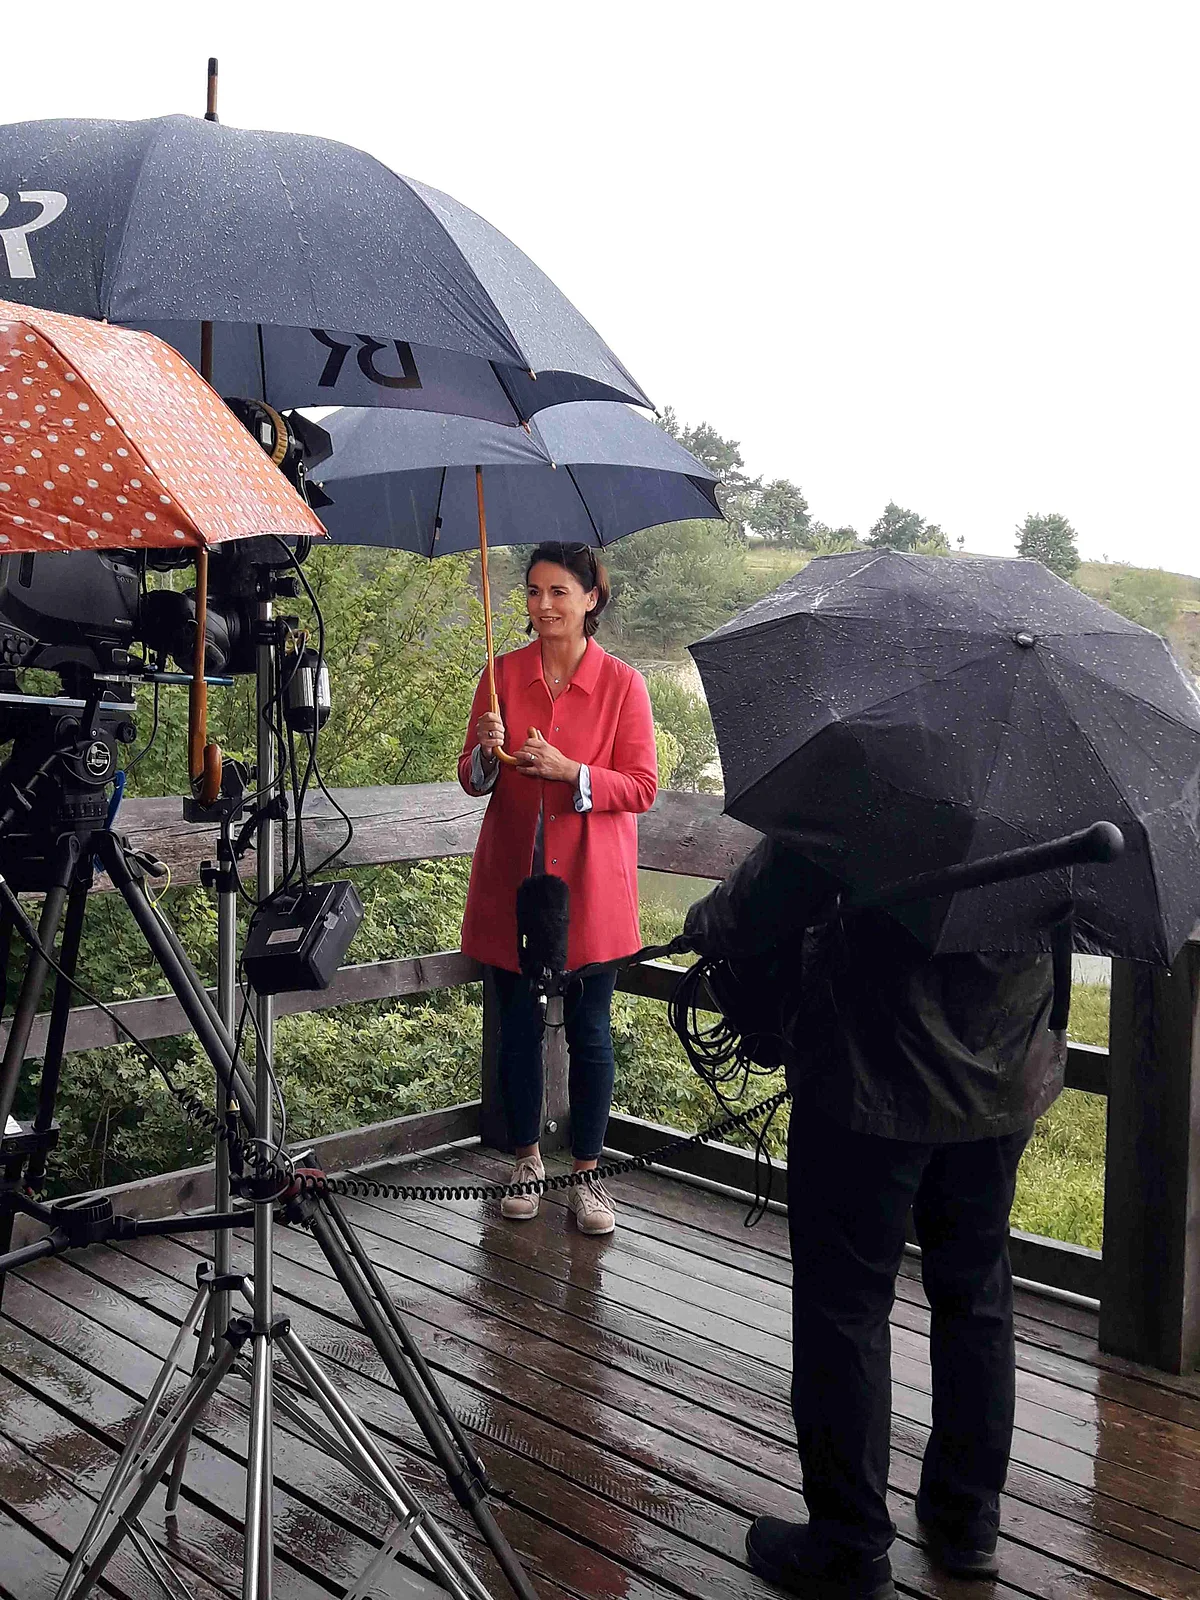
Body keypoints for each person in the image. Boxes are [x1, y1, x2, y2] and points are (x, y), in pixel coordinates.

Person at [684, 839, 1067, 1600]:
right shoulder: (1057, 796)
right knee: (977, 1293)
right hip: (1004, 1077)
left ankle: (849, 1544)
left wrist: (708, 920)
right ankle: (967, 1522)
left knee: (845, 1308)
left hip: (870, 1071)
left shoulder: (883, 763)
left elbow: (783, 878)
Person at [458, 541, 658, 1235]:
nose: (543, 605)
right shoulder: (501, 674)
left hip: (589, 891)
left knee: (590, 1032)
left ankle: (588, 1177)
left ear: (591, 598)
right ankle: (524, 1160)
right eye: (534, 591)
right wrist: (487, 753)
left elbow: (641, 788)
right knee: (515, 1028)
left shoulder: (624, 685)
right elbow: (471, 779)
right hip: (513, 882)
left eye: (559, 592)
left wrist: (571, 771)